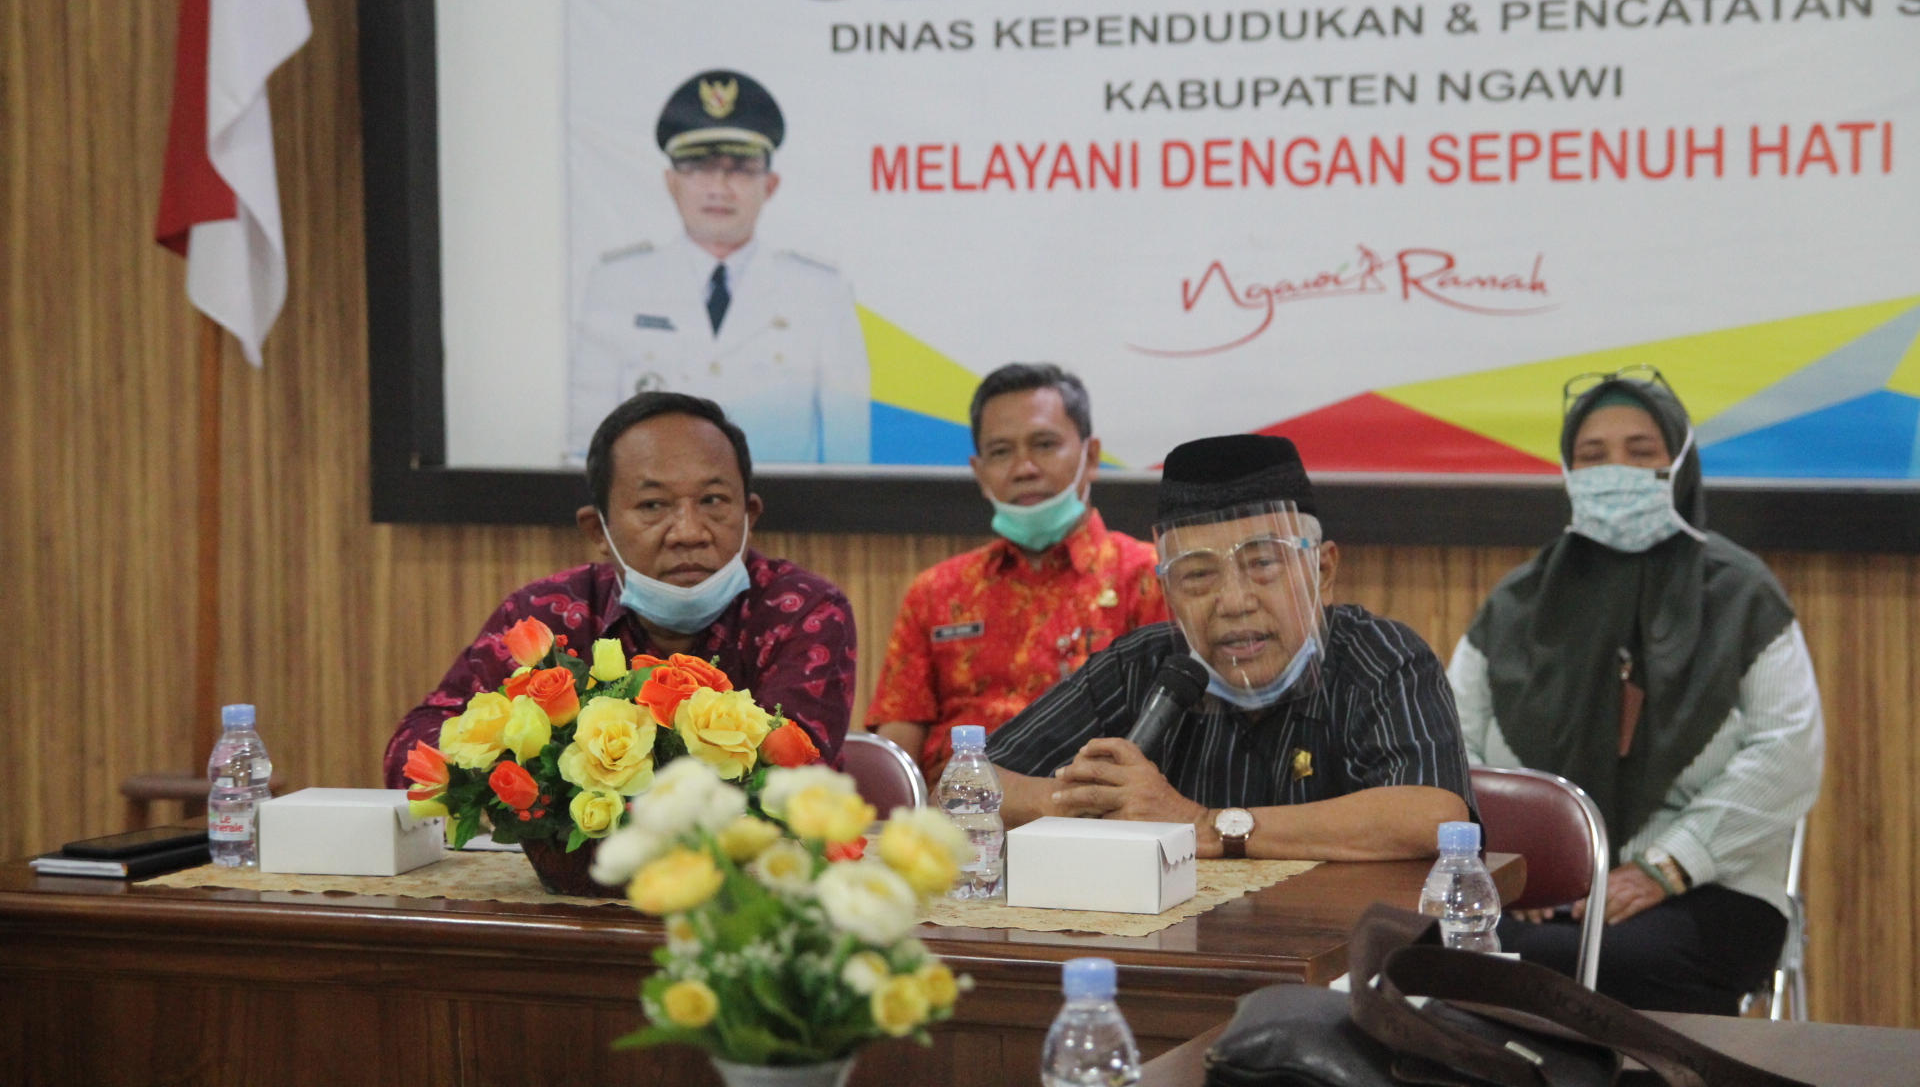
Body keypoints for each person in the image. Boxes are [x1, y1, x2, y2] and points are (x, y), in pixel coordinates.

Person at [1449, 368, 1823, 1015]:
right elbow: (1454, 746)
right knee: (1440, 942)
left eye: (1640, 451)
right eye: (1592, 456)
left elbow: (1786, 753)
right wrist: (1516, 862)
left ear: (1678, 463)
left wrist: (1666, 867)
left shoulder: (1741, 596)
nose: (1614, 469)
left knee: (1606, 961)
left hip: (1708, 886)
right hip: (1532, 886)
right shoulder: (1517, 604)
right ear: (1568, 472)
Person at [986, 434, 1475, 861]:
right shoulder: (1139, 667)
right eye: (1198, 574)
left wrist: (1202, 824)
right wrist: (1084, 801)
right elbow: (969, 783)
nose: (1235, 602)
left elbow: (1432, 815)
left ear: (1323, 572)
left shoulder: (1381, 657)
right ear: (1169, 592)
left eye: (1264, 564)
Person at [385, 391, 857, 786]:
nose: (689, 532)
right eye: (653, 505)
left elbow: (793, 772)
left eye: (713, 501)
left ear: (749, 516)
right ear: (598, 529)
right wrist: (510, 780)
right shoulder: (547, 615)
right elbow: (413, 749)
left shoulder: (803, 611)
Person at [866, 364, 1167, 781]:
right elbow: (898, 742)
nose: (1024, 468)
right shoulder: (937, 591)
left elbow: (1172, 730)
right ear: (979, 472)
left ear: (1091, 456)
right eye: (1001, 452)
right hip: (955, 811)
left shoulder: (1151, 578)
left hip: (1094, 805)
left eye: (1044, 444)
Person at [569, 70, 870, 465]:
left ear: (770, 184)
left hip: (778, 503)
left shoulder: (820, 293)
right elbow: (587, 449)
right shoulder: (617, 285)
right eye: (699, 166)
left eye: (740, 168)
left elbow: (848, 455)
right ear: (671, 181)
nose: (719, 187)